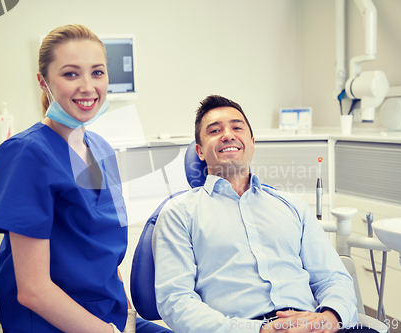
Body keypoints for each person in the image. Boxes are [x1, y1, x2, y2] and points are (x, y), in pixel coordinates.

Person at [0, 24, 172, 333]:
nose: (87, 86)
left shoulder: (99, 148)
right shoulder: (25, 155)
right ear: (43, 82)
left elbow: (106, 256)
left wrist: (125, 316)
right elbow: (33, 290)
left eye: (97, 72)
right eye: (71, 74)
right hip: (53, 323)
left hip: (107, 313)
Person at [152, 95, 378, 333]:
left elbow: (333, 278)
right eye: (215, 130)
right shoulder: (178, 215)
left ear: (251, 142)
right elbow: (176, 301)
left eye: (236, 127)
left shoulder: (293, 207)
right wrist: (260, 330)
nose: (227, 134)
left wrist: (330, 317)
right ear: (199, 151)